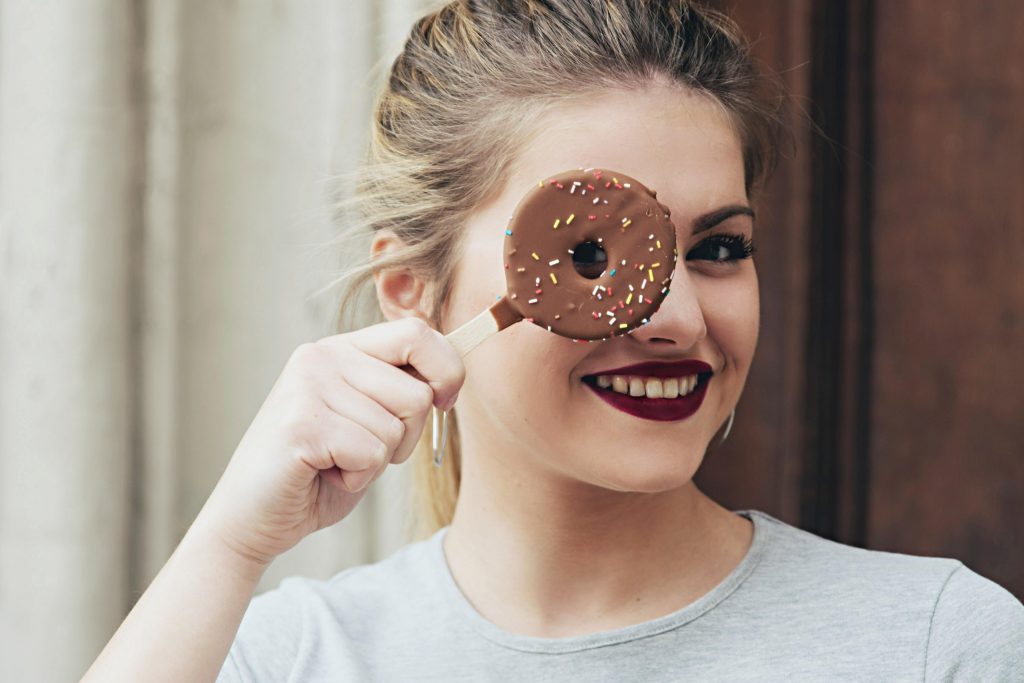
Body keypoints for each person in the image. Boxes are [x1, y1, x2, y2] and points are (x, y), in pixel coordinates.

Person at [84, 1, 1024, 681]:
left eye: (720, 249)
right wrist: (229, 544)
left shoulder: (935, 644)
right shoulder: (291, 657)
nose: (682, 321)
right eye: (591, 252)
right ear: (412, 292)